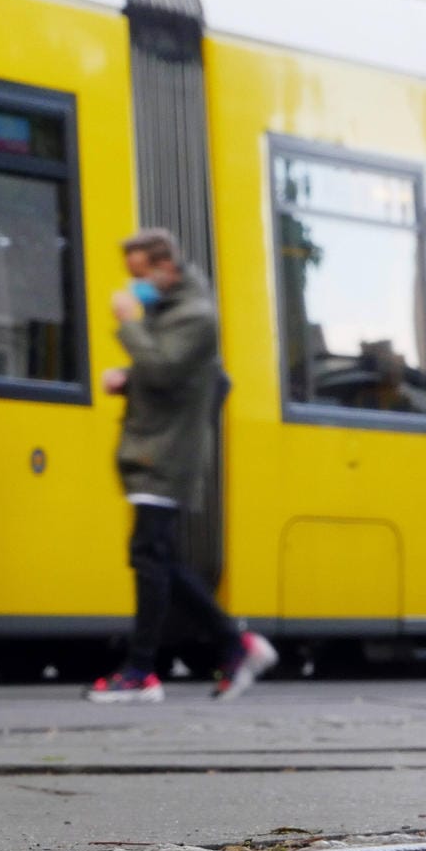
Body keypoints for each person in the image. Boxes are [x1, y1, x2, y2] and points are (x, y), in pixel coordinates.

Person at [86, 229, 276, 704]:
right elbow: (173, 376)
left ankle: (141, 671)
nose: (135, 287)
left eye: (140, 276)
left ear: (165, 268)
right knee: (157, 558)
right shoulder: (173, 310)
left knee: (150, 556)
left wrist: (128, 325)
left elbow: (168, 370)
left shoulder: (196, 315)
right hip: (155, 448)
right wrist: (128, 380)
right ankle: (236, 645)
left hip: (166, 453)